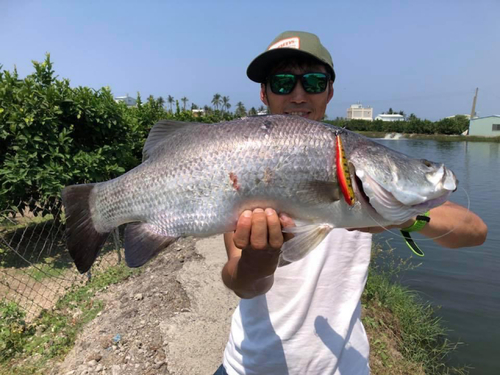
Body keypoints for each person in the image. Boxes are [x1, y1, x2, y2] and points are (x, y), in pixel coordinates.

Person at [215, 31, 488, 375]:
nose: (298, 95)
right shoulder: (241, 164)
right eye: (283, 83)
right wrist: (261, 256)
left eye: (313, 82)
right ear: (264, 93)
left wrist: (406, 219)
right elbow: (242, 284)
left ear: (329, 92)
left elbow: (475, 232)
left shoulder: (358, 163)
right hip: (249, 366)